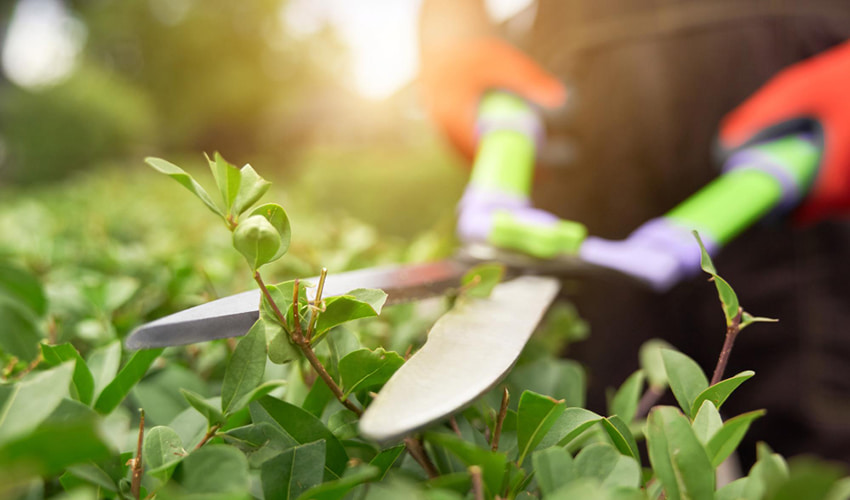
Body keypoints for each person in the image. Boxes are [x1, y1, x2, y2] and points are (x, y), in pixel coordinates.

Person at [419, 0, 850, 466]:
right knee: (586, 453)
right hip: (583, 99)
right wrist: (453, 36)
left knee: (821, 463)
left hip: (797, 70)